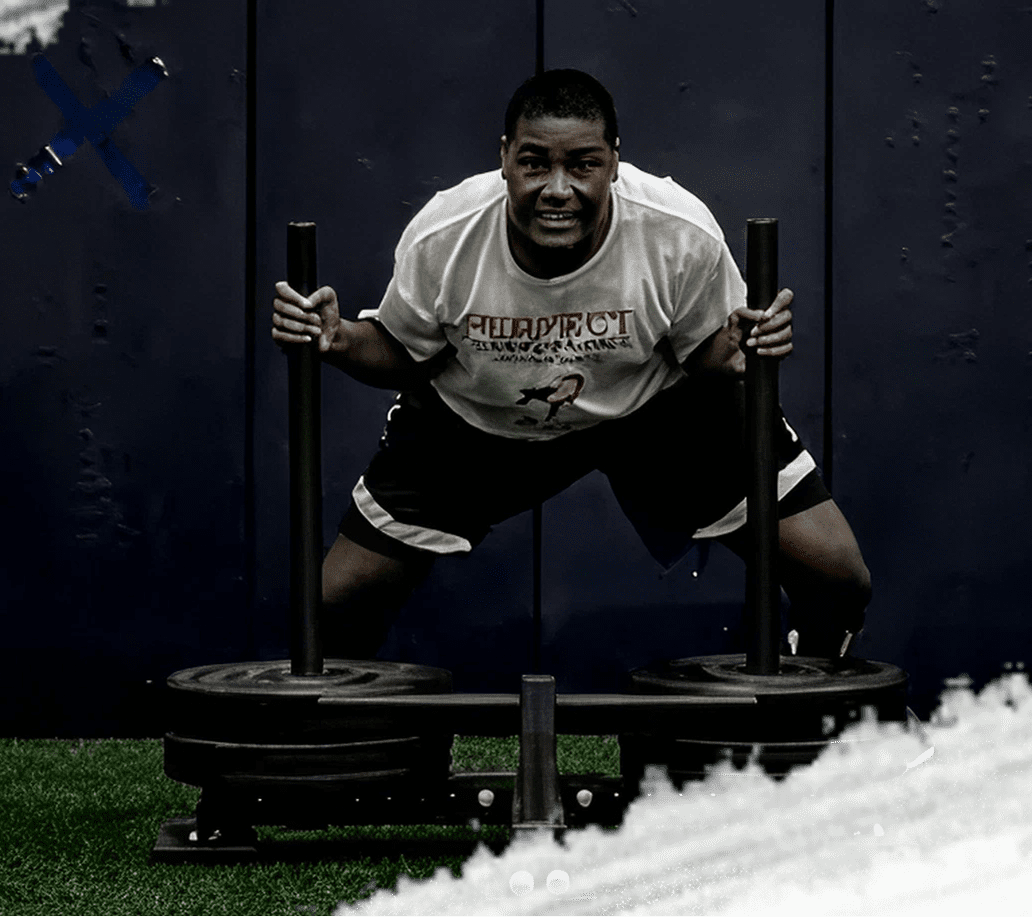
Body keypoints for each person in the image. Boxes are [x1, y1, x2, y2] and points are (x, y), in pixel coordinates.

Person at [271, 69, 871, 663]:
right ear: (505, 158)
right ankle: (344, 743)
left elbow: (703, 354)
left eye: (582, 164)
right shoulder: (447, 235)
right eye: (535, 163)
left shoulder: (676, 231)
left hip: (653, 410)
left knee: (839, 576)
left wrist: (733, 352)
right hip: (480, 420)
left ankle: (811, 710)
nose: (557, 189)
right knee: (332, 604)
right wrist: (341, 338)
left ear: (614, 160)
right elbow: (404, 353)